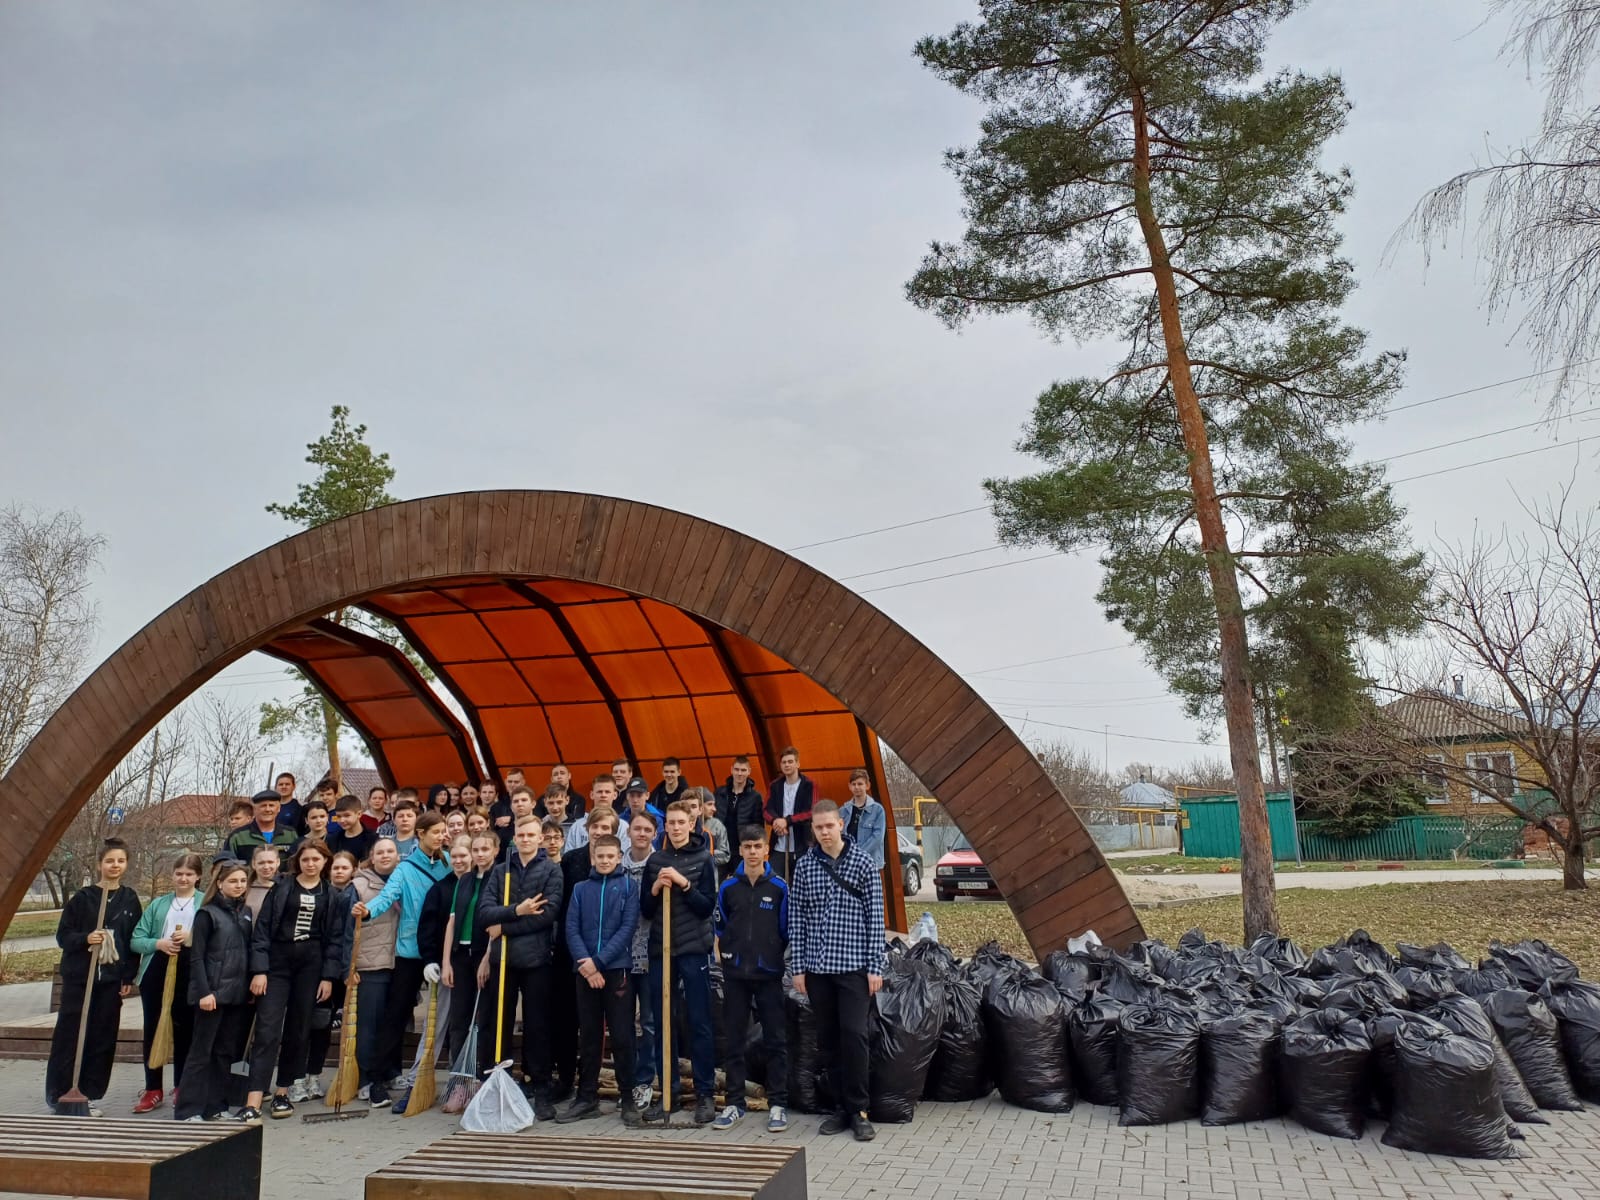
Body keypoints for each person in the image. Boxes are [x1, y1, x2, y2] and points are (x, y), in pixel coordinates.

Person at [790, 800, 885, 1142]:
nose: (825, 832)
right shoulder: (804, 867)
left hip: (853, 969)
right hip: (817, 969)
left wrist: (875, 966)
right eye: (818, 828)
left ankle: (859, 1109)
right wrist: (797, 968)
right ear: (813, 830)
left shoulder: (863, 862)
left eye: (829, 826)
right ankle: (839, 1108)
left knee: (855, 1036)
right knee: (828, 1041)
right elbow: (797, 919)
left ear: (841, 824)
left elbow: (876, 918)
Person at [240, 839, 349, 1123]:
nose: (310, 864)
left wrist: (328, 976)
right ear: (297, 862)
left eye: (316, 859)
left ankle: (282, 1093)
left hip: (310, 970)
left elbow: (335, 941)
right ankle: (253, 1098)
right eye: (305, 859)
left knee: (299, 1031)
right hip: (277, 966)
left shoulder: (332, 895)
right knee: (267, 1030)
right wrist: (260, 969)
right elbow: (262, 930)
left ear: (324, 861)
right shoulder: (282, 888)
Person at [352, 811, 452, 1110]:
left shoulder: (448, 862)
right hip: (410, 951)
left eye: (444, 831)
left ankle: (422, 1076)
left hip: (441, 949)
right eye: (436, 832)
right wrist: (368, 910)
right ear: (420, 834)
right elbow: (388, 896)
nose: (442, 836)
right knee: (395, 1017)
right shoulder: (405, 868)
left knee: (441, 1017)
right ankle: (376, 1080)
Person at [477, 813, 564, 1121]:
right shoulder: (501, 872)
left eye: (531, 835)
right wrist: (517, 909)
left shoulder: (552, 871)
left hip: (537, 959)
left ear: (540, 838)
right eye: (520, 835)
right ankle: (498, 1081)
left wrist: (506, 925)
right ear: (514, 838)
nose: (525, 839)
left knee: (537, 1025)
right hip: (503, 961)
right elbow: (485, 913)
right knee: (498, 1024)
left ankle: (540, 1086)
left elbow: (547, 915)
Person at [47, 838, 143, 1116]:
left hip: (110, 980)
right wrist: (86, 938)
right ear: (100, 864)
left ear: (126, 864)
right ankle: (60, 1092)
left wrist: (128, 977)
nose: (115, 866)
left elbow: (131, 940)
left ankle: (89, 1093)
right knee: (70, 1035)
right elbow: (63, 936)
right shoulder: (83, 898)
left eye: (120, 861)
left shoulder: (129, 899)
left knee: (102, 1037)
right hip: (80, 978)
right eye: (110, 861)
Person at [639, 799, 718, 1125]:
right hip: (662, 951)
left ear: (691, 824)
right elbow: (645, 909)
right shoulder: (655, 861)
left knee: (699, 1023)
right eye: (670, 823)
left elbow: (706, 907)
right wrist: (656, 887)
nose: (675, 828)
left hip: (694, 950)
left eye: (680, 823)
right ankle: (667, 1094)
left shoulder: (704, 860)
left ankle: (705, 1094)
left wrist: (684, 885)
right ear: (664, 828)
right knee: (662, 1023)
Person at [558, 833, 641, 1126]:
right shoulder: (580, 889)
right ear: (593, 857)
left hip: (616, 971)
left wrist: (599, 962)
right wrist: (587, 965)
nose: (605, 861)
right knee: (590, 1036)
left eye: (610, 856)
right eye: (600, 856)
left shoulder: (629, 887)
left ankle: (627, 1097)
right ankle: (586, 1097)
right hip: (584, 972)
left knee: (622, 1036)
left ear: (619, 857)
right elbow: (571, 928)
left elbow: (627, 928)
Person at [713, 827, 790, 1132]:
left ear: (766, 850)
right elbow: (721, 927)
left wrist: (772, 955)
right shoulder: (728, 887)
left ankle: (778, 1104)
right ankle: (734, 1104)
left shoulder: (780, 887)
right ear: (740, 850)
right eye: (747, 846)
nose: (753, 852)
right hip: (735, 975)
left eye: (758, 846)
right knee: (734, 1040)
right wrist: (726, 955)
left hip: (769, 974)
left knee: (775, 1041)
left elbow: (786, 931)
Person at [173, 860, 253, 1123]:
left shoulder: (245, 913)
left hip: (236, 994)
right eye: (233, 881)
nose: (238, 885)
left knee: (224, 1052)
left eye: (242, 881)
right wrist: (204, 992)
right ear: (220, 883)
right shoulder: (207, 914)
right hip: (211, 995)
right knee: (201, 1052)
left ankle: (215, 1106)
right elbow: (197, 957)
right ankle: (188, 1109)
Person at [396, 834, 472, 1107]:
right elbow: (426, 929)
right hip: (445, 969)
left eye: (466, 855)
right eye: (456, 856)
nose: (461, 861)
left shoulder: (483, 886)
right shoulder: (440, 889)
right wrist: (430, 960)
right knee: (435, 1027)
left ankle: (460, 1083)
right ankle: (416, 1082)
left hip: (474, 969)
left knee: (467, 1028)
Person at [130, 852, 204, 1113]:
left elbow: (213, 939)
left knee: (185, 1028)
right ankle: (152, 1089)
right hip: (158, 970)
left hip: (190, 971)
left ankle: (182, 1085)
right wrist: (158, 943)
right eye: (179, 874)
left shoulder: (205, 903)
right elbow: (136, 939)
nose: (183, 879)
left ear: (198, 877)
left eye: (189, 874)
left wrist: (190, 937)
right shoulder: (159, 905)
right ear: (172, 875)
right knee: (153, 1028)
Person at [302, 850, 360, 1101]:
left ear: (353, 871)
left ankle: (314, 1075)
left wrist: (344, 969)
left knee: (323, 1024)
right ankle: (298, 1076)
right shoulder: (322, 893)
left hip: (338, 969)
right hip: (312, 967)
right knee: (307, 1023)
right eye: (335, 867)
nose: (338, 872)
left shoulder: (354, 895)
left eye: (344, 868)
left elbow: (342, 938)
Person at [440, 832, 496, 1070]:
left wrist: (487, 958)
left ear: (495, 850)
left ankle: (480, 1072)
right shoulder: (464, 880)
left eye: (485, 849)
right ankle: (458, 1075)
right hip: (460, 956)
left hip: (484, 953)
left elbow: (496, 924)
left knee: (484, 1018)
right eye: (476, 850)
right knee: (459, 1018)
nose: (480, 854)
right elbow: (452, 922)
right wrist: (446, 962)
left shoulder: (500, 878)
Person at [350, 838, 400, 1102]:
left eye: (390, 851)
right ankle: (367, 1078)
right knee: (369, 1025)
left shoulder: (405, 881)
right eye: (379, 851)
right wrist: (349, 966)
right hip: (371, 964)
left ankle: (390, 1071)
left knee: (392, 1023)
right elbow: (346, 929)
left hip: (400, 961)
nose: (385, 855)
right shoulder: (359, 886)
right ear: (372, 856)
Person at [618, 807, 658, 1115]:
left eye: (646, 829)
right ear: (628, 832)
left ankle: (645, 1081)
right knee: (622, 1023)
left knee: (649, 1022)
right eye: (636, 829)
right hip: (619, 954)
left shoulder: (660, 864)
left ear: (654, 834)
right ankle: (626, 1081)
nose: (641, 834)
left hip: (652, 953)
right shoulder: (616, 865)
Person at [541, 817, 579, 1102]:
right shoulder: (555, 867)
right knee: (553, 1018)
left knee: (576, 1020)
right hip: (548, 951)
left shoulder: (570, 864)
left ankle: (576, 1079)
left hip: (577, 952)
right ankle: (547, 1075)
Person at [765, 747, 814, 872]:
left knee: (803, 886)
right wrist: (776, 821)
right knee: (772, 882)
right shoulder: (774, 786)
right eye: (784, 762)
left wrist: (787, 821)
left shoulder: (809, 785)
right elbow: (766, 809)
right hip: (778, 845)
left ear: (798, 763)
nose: (787, 765)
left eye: (790, 761)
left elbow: (810, 812)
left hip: (802, 845)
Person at [714, 757, 764, 878]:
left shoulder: (755, 797)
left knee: (741, 884)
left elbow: (758, 826)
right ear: (731, 770)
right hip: (720, 847)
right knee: (717, 885)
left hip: (741, 849)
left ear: (749, 771)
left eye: (743, 770)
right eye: (737, 769)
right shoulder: (719, 792)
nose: (739, 773)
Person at [226, 789, 301, 862]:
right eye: (263, 806)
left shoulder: (290, 835)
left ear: (278, 809)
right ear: (255, 809)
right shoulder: (238, 837)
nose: (267, 809)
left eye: (271, 805)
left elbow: (297, 863)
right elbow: (227, 865)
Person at [843, 769, 887, 872]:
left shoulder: (877, 810)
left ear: (867, 785)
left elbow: (877, 838)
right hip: (848, 864)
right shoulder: (843, 811)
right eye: (853, 784)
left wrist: (858, 855)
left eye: (860, 784)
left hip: (870, 862)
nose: (856, 787)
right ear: (849, 786)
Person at [685, 787, 731, 872]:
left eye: (714, 804)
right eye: (709, 804)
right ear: (700, 806)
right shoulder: (680, 825)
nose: (714, 809)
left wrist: (704, 856)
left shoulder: (717, 825)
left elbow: (725, 854)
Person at [326, 795, 376, 863]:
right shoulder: (332, 840)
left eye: (347, 815)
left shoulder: (373, 839)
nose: (342, 820)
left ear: (359, 814)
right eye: (338, 816)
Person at [543, 785, 586, 854]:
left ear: (567, 800)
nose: (555, 807)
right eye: (551, 803)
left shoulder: (576, 827)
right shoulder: (540, 826)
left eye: (559, 802)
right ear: (545, 802)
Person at [623, 778, 664, 848]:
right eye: (632, 795)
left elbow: (657, 845)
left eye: (639, 796)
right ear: (627, 796)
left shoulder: (657, 819)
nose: (635, 800)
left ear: (647, 795)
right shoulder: (621, 819)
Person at [245, 844, 280, 918]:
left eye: (270, 862)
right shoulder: (244, 889)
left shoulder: (285, 887)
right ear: (254, 864)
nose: (266, 867)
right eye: (261, 863)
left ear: (278, 862)